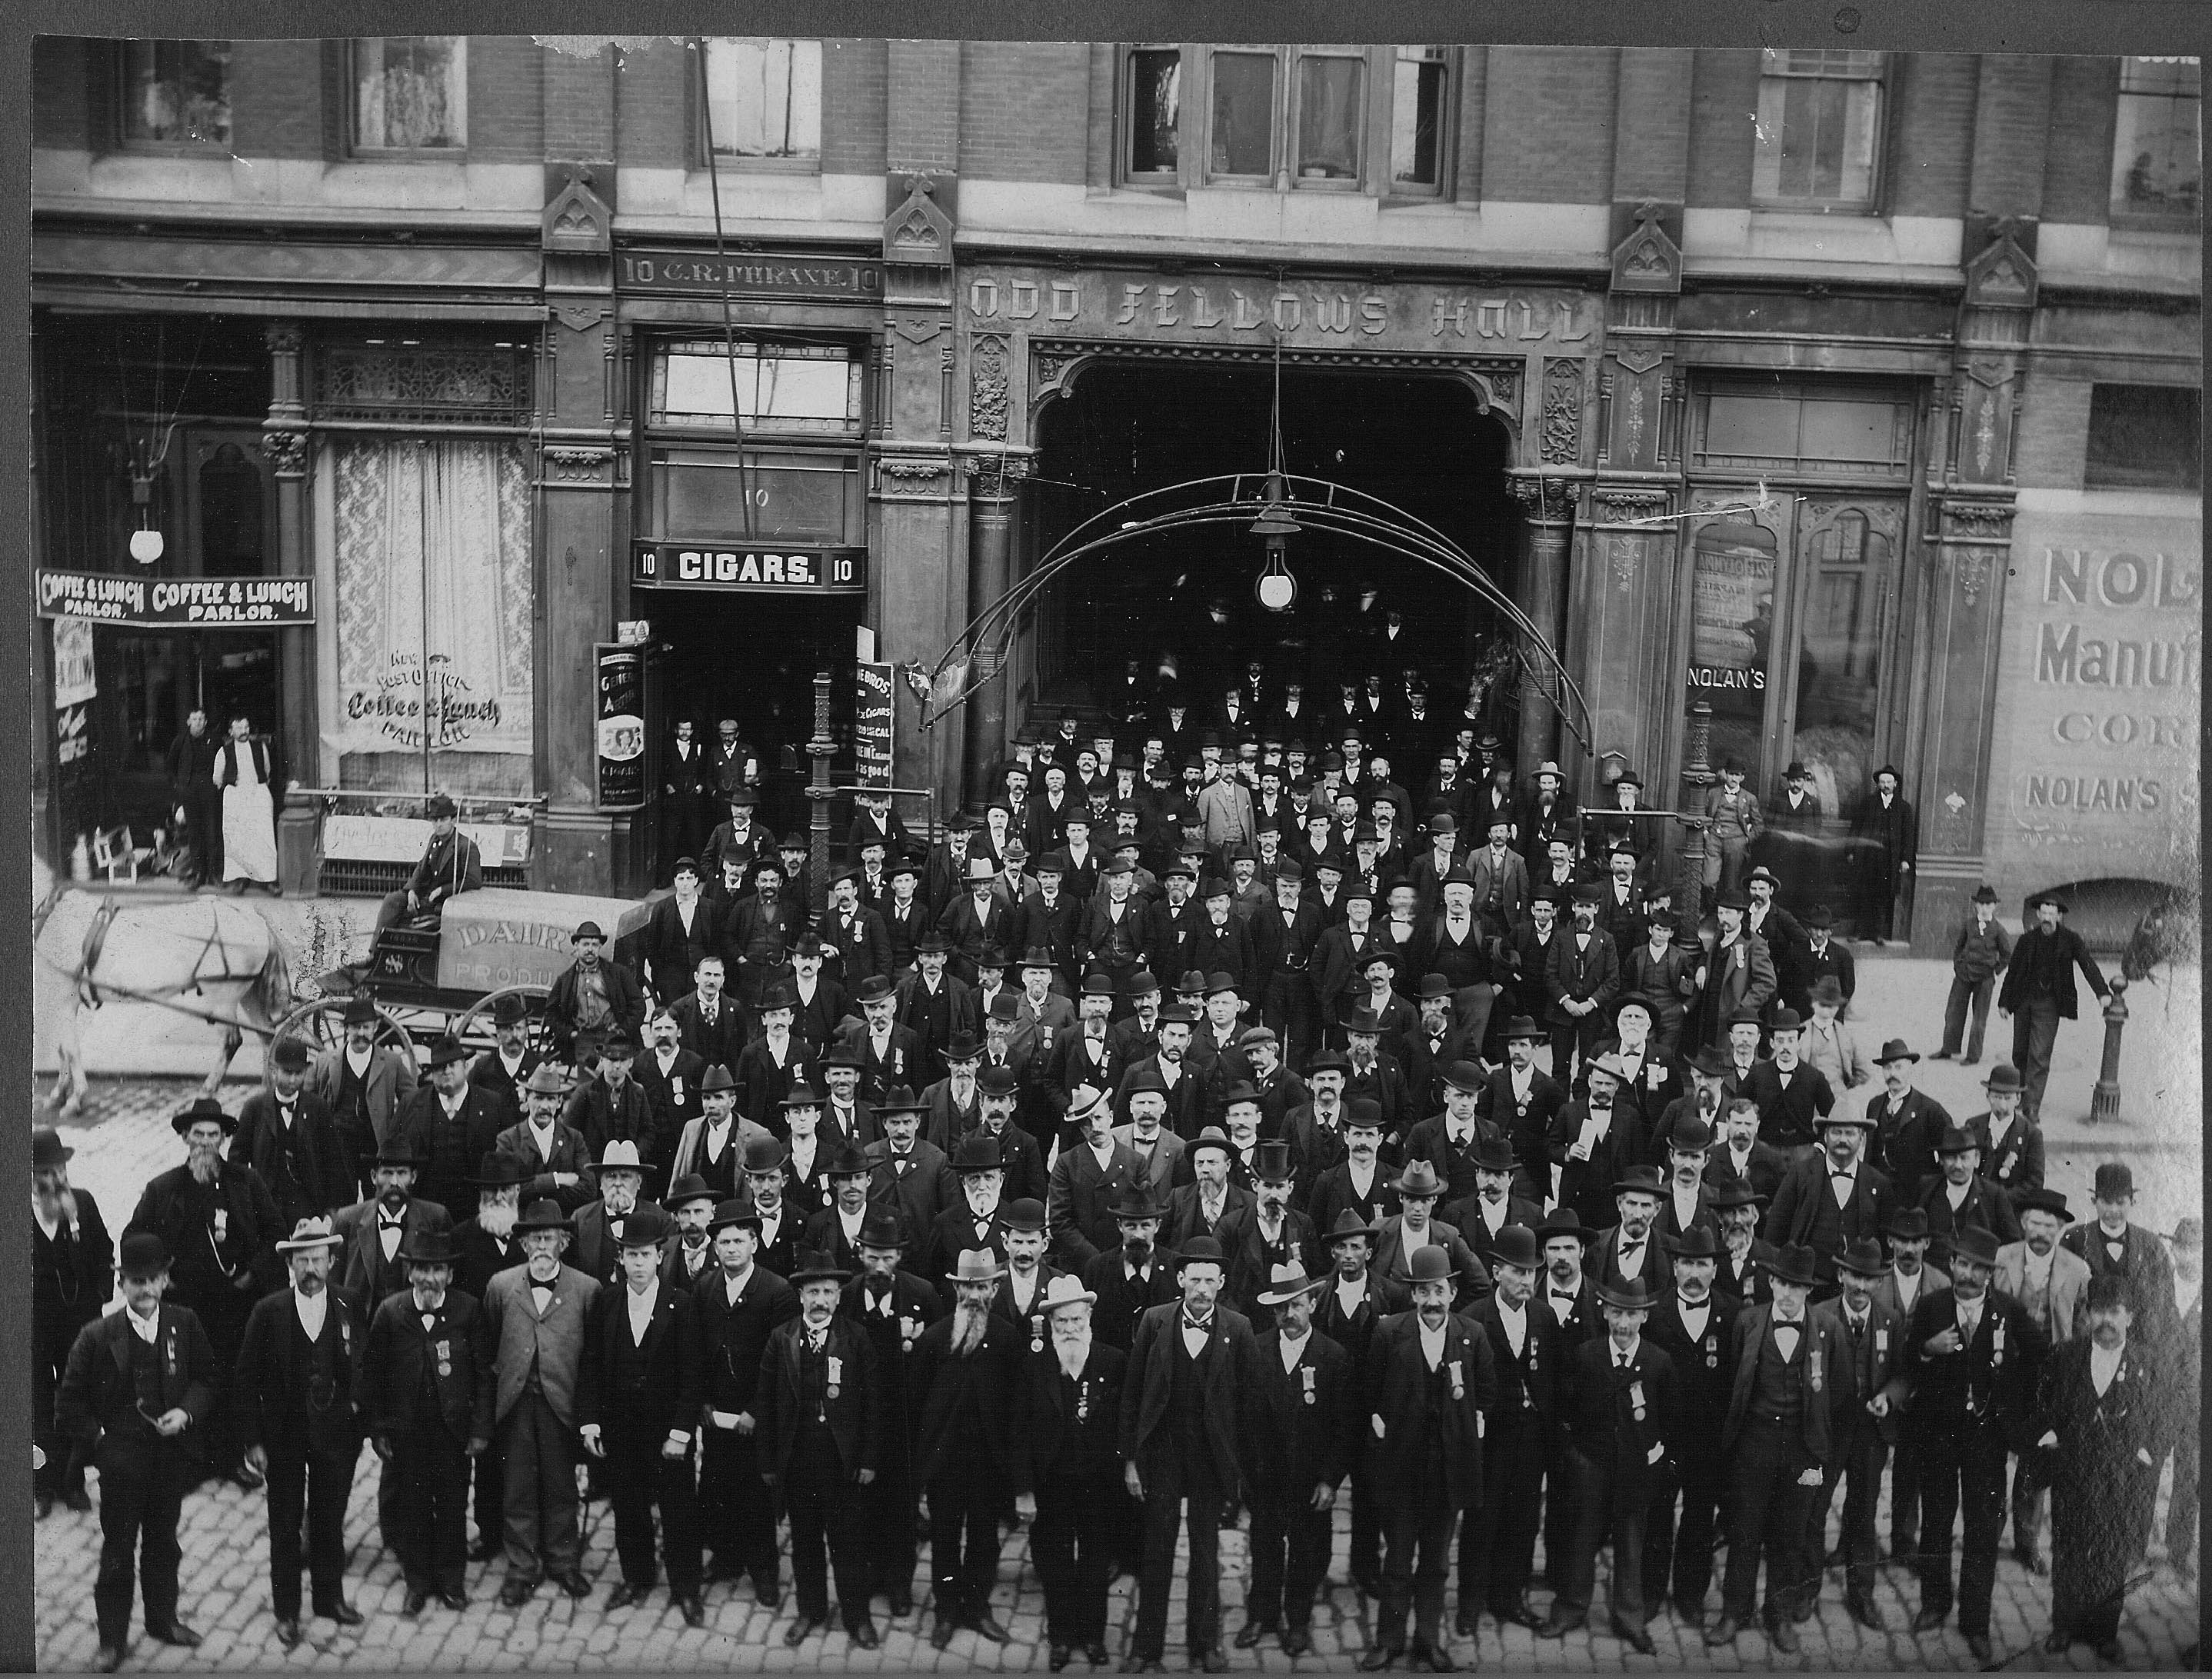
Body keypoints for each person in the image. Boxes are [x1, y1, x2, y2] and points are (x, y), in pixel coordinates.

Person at [56, 1232, 220, 1674]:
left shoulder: (184, 1323)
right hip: (121, 1466)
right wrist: (102, 1442)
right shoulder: (97, 1335)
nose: (145, 1289)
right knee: (118, 1549)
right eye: (135, 1281)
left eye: (152, 1280)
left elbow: (207, 1378)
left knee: (164, 1543)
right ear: (121, 1284)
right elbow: (68, 1402)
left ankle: (163, 1620)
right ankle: (112, 1639)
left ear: (165, 1281)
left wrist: (185, 1412)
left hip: (170, 1459)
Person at [125, 1095, 284, 1491]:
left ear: (224, 1139)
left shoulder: (246, 1183)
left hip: (236, 1304)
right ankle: (190, 1462)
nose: (206, 1143)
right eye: (199, 1134)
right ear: (185, 1137)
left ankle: (231, 1458)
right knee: (184, 1379)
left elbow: (276, 1234)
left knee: (233, 1379)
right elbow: (134, 1236)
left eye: (214, 1135)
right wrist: (160, 1275)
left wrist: (253, 1273)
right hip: (183, 1306)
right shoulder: (162, 1188)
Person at [1905, 1223, 2048, 1664]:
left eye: (1978, 1268)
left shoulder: (2008, 1310)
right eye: (1962, 1264)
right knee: (1936, 1520)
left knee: (1983, 1528)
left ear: (1990, 1273)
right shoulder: (1931, 1307)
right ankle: (1935, 1602)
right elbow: (1906, 1361)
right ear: (1951, 1264)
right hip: (1939, 1435)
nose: (1968, 1274)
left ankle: (1975, 1621)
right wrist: (1928, 1349)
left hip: (1987, 1439)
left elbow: (2039, 1358)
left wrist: (2016, 1409)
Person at [1706, 1243, 1854, 1654]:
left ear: (1809, 1290)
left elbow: (1840, 1392)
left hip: (1804, 1452)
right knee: (1744, 1531)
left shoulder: (1828, 1329)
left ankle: (1779, 1615)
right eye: (1782, 1283)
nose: (1788, 1293)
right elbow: (1734, 1382)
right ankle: (1734, 1611)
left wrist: (1818, 1443)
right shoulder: (1748, 1322)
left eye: (1797, 1286)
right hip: (1754, 1446)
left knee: (1792, 1534)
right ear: (1771, 1282)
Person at [1120, 1234, 1257, 1673]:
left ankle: (1205, 1644)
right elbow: (1132, 1394)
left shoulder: (1239, 1328)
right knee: (1156, 1551)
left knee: (1205, 1551)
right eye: (1194, 1279)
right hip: (1163, 1454)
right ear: (1180, 1280)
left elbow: (1248, 1405)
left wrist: (1239, 1471)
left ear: (1221, 1283)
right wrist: (1131, 1460)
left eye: (1209, 1280)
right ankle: (1146, 1647)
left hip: (1210, 1459)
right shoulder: (1155, 1322)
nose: (1201, 1289)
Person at [233, 1214, 368, 1648]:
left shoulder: (348, 1304)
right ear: (290, 1265)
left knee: (329, 1520)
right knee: (285, 1524)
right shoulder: (268, 1311)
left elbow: (363, 1365)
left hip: (334, 1434)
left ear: (331, 1262)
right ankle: (287, 1611)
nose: (311, 1269)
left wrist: (355, 1415)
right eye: (302, 1261)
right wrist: (253, 1441)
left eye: (318, 1259)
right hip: (284, 1435)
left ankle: (329, 1599)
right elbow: (245, 1379)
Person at [578, 1204, 703, 1625]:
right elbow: (592, 1364)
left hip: (667, 1432)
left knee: (678, 1510)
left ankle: (686, 1587)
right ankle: (637, 1577)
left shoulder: (680, 1304)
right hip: (622, 1428)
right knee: (628, 1506)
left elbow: (692, 1374)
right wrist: (591, 1421)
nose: (638, 1263)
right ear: (621, 1258)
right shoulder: (608, 1301)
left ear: (659, 1257)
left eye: (645, 1255)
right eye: (631, 1255)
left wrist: (681, 1433)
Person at [1538, 1274, 1674, 1654]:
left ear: (1644, 1317)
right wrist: (1577, 1456)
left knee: (1631, 1542)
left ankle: (1629, 1616)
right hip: (1592, 1465)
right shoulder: (1587, 1356)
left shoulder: (1658, 1363)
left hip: (1635, 1470)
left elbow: (1668, 1417)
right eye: (1616, 1313)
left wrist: (1654, 1457)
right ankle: (1570, 1607)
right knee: (1581, 1537)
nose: (1623, 1324)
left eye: (1631, 1315)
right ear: (1604, 1313)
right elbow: (1567, 1409)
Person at [757, 1246, 884, 1651]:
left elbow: (873, 1405)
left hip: (841, 1462)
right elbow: (766, 1404)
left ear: (839, 1296)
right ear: (800, 1296)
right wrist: (769, 1461)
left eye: (828, 1292)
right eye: (813, 1292)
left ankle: (856, 1616)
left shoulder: (856, 1338)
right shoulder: (781, 1339)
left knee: (848, 1543)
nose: (820, 1300)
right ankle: (809, 1610)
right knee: (805, 1540)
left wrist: (868, 1459)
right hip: (797, 1460)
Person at [360, 1228, 490, 1618]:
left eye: (437, 1271)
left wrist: (480, 1429)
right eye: (422, 1270)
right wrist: (378, 1430)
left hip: (453, 1430)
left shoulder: (468, 1310)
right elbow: (373, 1375)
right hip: (408, 1431)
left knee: (452, 1505)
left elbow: (484, 1375)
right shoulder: (391, 1312)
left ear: (450, 1275)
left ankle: (451, 1581)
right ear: (410, 1273)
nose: (429, 1279)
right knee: (412, 1506)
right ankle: (417, 1582)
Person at [478, 1198, 601, 1607]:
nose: (542, 1247)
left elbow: (591, 1356)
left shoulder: (586, 1290)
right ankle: (522, 1566)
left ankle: (563, 1560)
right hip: (516, 1403)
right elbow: (491, 1345)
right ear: (524, 1245)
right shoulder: (501, 1286)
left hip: (560, 1403)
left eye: (549, 1239)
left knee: (561, 1484)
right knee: (518, 1485)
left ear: (564, 1243)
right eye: (535, 1240)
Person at [2035, 1271, 2160, 1661]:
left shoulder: (2145, 1363)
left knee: (2110, 1551)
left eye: (2115, 1311)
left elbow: (2162, 1415)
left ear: (2130, 1317)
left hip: (2119, 1475)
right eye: (2100, 1311)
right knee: (2068, 1547)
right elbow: (2045, 1401)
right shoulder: (2066, 1355)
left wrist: (2147, 1451)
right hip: (2073, 1469)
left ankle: (2104, 1632)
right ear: (2087, 1314)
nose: (2107, 1320)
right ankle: (2064, 1625)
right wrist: (2049, 1435)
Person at [681, 1194, 798, 1609]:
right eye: (724, 1242)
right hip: (718, 1412)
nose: (731, 1248)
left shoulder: (777, 1291)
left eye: (739, 1241)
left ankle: (764, 1568)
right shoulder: (705, 1288)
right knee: (719, 1483)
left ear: (754, 1242)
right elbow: (694, 1351)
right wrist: (703, 1403)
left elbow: (782, 1362)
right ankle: (726, 1556)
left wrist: (756, 1411)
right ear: (715, 1246)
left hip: (756, 1413)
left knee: (758, 1490)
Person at [1238, 1261, 1354, 1658]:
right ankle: (1262, 1615)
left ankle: (1298, 1620)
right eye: (1282, 1308)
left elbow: (1344, 1427)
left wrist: (1330, 1480)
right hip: (1265, 1476)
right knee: (1264, 1546)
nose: (1290, 1314)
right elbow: (1241, 1417)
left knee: (1306, 1550)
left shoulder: (1333, 1356)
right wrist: (1244, 1474)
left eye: (1297, 1305)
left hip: (1309, 1479)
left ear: (1312, 1306)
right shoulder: (1254, 1350)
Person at [909, 1248, 1022, 1649]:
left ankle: (976, 1606)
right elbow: (916, 1406)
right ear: (957, 1290)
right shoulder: (935, 1339)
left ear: (994, 1290)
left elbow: (1016, 1406)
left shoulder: (1007, 1338)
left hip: (989, 1463)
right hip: (945, 1463)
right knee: (944, 1538)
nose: (975, 1295)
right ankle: (945, 1610)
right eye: (968, 1287)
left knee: (984, 1538)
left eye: (982, 1287)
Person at [1014, 1273, 1126, 1671]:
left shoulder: (1112, 1362)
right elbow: (1019, 1430)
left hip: (1099, 1483)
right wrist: (1024, 1490)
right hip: (1051, 1484)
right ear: (1050, 1323)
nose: (1070, 1328)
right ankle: (1061, 1637)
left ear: (1089, 1318)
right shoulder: (1034, 1364)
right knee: (1055, 1563)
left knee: (1096, 1562)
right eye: (1062, 1322)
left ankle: (1093, 1635)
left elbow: (1123, 1426)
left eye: (1077, 1320)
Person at [1807, 1237, 1913, 1629]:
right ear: (1840, 1275)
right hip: (1827, 1435)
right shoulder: (1819, 1315)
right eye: (1854, 1276)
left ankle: (1861, 1593)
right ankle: (1806, 1588)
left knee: (1864, 1512)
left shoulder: (1891, 1320)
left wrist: (1888, 1397)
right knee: (1814, 1507)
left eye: (1869, 1279)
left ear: (1879, 1282)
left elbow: (1902, 1374)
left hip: (1870, 1433)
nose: (1860, 1286)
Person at [1640, 1227, 1737, 1634]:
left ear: (1714, 1269)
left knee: (1699, 1516)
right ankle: (1649, 1591)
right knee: (1657, 1514)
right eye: (1687, 1264)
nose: (1694, 1273)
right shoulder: (1654, 1312)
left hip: (1708, 1441)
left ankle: (1690, 1594)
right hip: (1664, 1438)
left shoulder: (1732, 1315)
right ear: (1675, 1267)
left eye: (1702, 1265)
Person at [1996, 1185, 2089, 1575]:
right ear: (2023, 1223)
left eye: (2050, 1226)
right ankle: (1987, 1532)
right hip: (2005, 1372)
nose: (2041, 1232)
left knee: (2035, 1459)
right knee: (1993, 1453)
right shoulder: (2002, 1258)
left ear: (2060, 1229)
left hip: (2047, 1377)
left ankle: (2027, 1541)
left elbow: (2081, 1328)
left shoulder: (2077, 1270)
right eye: (2035, 1223)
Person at [33, 1124, 112, 1518]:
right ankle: (42, 1484)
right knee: (37, 1402)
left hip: (76, 1322)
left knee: (75, 1398)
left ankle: (74, 1480)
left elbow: (105, 1251)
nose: (57, 1179)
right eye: (47, 1173)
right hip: (33, 1325)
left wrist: (99, 1298)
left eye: (60, 1170)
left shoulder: (82, 1202)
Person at [1997, 891, 2112, 1125]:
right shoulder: (2027, 940)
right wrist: (2004, 1002)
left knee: (2039, 1055)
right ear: (2039, 915)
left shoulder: (2070, 940)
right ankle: (2022, 1096)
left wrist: (2102, 992)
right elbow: (2013, 972)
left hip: (2049, 1004)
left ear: (2059, 916)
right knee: (2020, 1053)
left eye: (2052, 913)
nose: (2047, 917)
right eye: (2044, 913)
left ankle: (2032, 1107)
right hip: (2024, 1002)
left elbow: (2087, 964)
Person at [308, 996, 420, 1198]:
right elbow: (308, 1100)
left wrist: (395, 1131)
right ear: (346, 1028)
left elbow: (412, 1101)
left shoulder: (391, 1062)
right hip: (339, 1146)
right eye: (355, 1027)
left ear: (375, 1028)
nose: (361, 1033)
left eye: (366, 1027)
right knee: (341, 1199)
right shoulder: (326, 1061)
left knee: (375, 1199)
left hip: (375, 1146)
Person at [235, 1035, 350, 1231]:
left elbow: (333, 1161)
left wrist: (331, 1210)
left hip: (307, 1205)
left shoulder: (318, 1108)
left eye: (299, 1073)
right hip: (266, 1205)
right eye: (287, 1072)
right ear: (274, 1071)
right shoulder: (254, 1108)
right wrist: (246, 1203)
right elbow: (237, 1161)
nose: (293, 1080)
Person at [398, 1035, 509, 1221]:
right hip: (424, 1210)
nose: (447, 1071)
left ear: (465, 1066)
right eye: (440, 1067)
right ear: (432, 1072)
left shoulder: (492, 1104)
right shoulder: (411, 1104)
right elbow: (393, 1153)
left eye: (452, 1065)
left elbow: (506, 1158)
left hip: (475, 1211)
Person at [336, 1136, 455, 1308]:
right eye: (387, 1173)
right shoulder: (348, 1219)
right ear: (374, 1177)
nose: (394, 1182)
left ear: (413, 1177)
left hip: (413, 1319)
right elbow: (334, 1282)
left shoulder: (436, 1217)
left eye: (402, 1173)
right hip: (362, 1320)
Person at [545, 920, 648, 1072]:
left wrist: (624, 1030)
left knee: (617, 1077)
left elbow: (638, 1005)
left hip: (613, 1037)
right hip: (584, 1039)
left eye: (594, 945)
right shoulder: (566, 980)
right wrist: (570, 1033)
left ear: (600, 947)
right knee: (588, 1083)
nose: (590, 949)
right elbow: (551, 1012)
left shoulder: (618, 974)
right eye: (585, 944)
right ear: (576, 946)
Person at [375, 792, 482, 934]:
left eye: (443, 820)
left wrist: (442, 890)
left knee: (408, 922)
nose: (438, 825)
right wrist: (412, 890)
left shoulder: (465, 846)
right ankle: (377, 946)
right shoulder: (434, 839)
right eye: (435, 820)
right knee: (392, 900)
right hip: (426, 895)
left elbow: (474, 881)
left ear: (453, 820)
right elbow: (422, 866)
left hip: (445, 900)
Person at [1932, 884, 2012, 1064]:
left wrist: (1995, 972)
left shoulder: (1999, 930)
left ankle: (1973, 1055)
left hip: (1985, 979)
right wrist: (1958, 965)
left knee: (1979, 1018)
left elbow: (2007, 955)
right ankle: (1948, 1049)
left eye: (1988, 904)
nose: (1984, 908)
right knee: (1954, 1012)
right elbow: (1959, 946)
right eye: (1981, 904)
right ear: (1976, 905)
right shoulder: (1969, 924)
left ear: (1994, 906)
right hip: (1964, 975)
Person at [213, 710, 281, 894]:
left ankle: (268, 880)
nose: (244, 731)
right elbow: (217, 778)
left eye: (246, 727)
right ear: (231, 731)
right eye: (239, 728)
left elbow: (267, 771)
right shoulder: (224, 751)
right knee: (238, 838)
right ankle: (240, 879)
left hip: (258, 794)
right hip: (236, 797)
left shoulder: (260, 747)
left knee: (263, 838)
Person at [1848, 765, 1916, 943]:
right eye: (1882, 782)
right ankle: (1859, 931)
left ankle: (1878, 933)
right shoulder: (1868, 803)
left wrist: (1905, 860)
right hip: (1868, 856)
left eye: (1889, 782)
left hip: (1889, 860)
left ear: (1895, 784)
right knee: (1864, 894)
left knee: (1883, 895)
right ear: (1878, 784)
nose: (1885, 785)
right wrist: (1852, 851)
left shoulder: (1903, 808)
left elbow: (1908, 836)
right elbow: (1856, 827)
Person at [165, 706, 223, 888]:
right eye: (195, 719)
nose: (198, 723)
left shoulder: (214, 740)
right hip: (189, 792)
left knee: (212, 832)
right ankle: (199, 873)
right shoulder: (180, 741)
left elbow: (223, 762)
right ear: (188, 722)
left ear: (205, 722)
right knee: (195, 833)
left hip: (210, 790)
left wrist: (218, 784)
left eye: (201, 719)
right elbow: (170, 766)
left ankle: (214, 874)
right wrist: (179, 785)